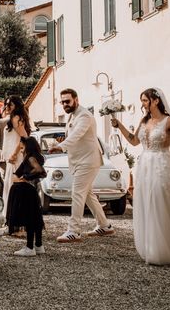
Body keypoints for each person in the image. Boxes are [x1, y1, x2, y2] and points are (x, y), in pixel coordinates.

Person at [111, 88, 170, 264]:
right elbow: (134, 141)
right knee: (146, 204)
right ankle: (152, 247)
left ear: (155, 101)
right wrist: (120, 126)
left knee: (160, 202)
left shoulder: (168, 121)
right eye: (141, 100)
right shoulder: (144, 121)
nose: (142, 104)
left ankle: (168, 249)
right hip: (145, 166)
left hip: (162, 165)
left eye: (144, 100)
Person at [50, 88, 113, 242]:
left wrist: (61, 146)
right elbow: (74, 135)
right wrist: (62, 141)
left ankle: (74, 230)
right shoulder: (72, 115)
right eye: (62, 102)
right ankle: (105, 226)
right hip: (80, 161)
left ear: (76, 100)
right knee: (88, 195)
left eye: (67, 101)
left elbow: (77, 134)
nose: (65, 104)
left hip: (88, 161)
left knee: (77, 193)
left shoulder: (84, 115)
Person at [7, 136, 47, 257]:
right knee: (36, 217)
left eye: (22, 147)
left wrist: (26, 177)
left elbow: (40, 171)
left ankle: (30, 247)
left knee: (29, 218)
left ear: (27, 146)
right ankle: (38, 245)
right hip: (32, 190)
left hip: (26, 190)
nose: (20, 150)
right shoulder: (37, 157)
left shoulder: (30, 157)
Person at [1, 96, 30, 217]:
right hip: (12, 159)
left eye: (10, 105)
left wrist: (14, 154)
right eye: (6, 104)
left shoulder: (16, 118)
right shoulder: (14, 118)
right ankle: (12, 221)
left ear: (16, 106)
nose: (7, 107)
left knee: (13, 190)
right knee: (11, 189)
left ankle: (15, 222)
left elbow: (24, 138)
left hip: (15, 159)